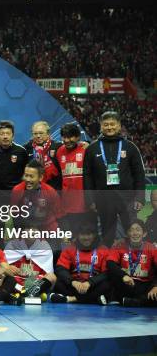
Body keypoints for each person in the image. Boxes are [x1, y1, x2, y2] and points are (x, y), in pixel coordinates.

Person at [83, 111, 146, 246]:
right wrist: (90, 200)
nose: (109, 127)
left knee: (131, 230)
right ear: (101, 126)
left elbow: (139, 174)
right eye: (106, 124)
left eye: (113, 124)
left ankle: (132, 263)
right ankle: (108, 262)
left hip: (127, 198)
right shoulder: (92, 148)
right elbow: (87, 177)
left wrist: (140, 198)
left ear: (119, 126)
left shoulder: (130, 147)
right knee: (107, 233)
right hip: (103, 199)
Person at [51, 223, 110, 305]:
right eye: (82, 234)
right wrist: (73, 282)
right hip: (74, 285)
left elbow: (106, 273)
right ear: (77, 236)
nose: (86, 238)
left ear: (94, 235)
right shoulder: (70, 248)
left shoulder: (103, 250)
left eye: (89, 234)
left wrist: (90, 283)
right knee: (59, 282)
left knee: (107, 284)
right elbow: (60, 268)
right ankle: (93, 299)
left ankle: (72, 299)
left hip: (93, 286)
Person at [107, 221, 156, 307]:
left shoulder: (151, 248)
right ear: (128, 233)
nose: (134, 233)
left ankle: (135, 302)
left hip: (144, 285)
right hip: (126, 284)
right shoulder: (120, 246)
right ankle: (140, 302)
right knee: (108, 278)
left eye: (138, 230)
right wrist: (123, 276)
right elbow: (110, 263)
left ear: (144, 234)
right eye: (131, 230)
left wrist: (156, 286)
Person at [4, 223, 57, 298]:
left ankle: (25, 294)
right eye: (28, 228)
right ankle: (31, 294)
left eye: (35, 228)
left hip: (35, 281)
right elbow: (3, 266)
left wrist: (30, 273)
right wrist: (9, 268)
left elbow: (47, 272)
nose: (32, 231)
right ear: (22, 231)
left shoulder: (44, 246)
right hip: (16, 280)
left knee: (52, 277)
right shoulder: (13, 244)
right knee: (2, 274)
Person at [56, 122, 89, 235]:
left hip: (85, 201)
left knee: (87, 235)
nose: (67, 140)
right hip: (67, 202)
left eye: (70, 136)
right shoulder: (59, 151)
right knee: (72, 236)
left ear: (78, 137)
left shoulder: (86, 149)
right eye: (64, 137)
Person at [11, 160, 62, 232]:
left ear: (40, 177)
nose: (28, 179)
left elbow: (59, 215)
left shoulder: (51, 192)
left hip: (47, 230)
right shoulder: (17, 190)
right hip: (26, 230)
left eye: (31, 176)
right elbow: (15, 216)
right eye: (26, 175)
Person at [0, 120, 29, 191]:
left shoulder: (21, 151)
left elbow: (26, 172)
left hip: (16, 194)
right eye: (2, 134)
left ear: (13, 136)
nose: (5, 136)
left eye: (8, 133)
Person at [23, 121, 62, 190]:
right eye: (35, 133)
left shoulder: (58, 146)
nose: (38, 136)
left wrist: (84, 144)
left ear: (48, 134)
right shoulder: (26, 148)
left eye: (41, 133)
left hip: (55, 189)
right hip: (33, 190)